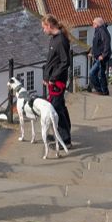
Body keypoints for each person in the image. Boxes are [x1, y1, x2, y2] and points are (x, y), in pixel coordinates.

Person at [42, 14, 72, 146]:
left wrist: (53, 78)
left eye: (44, 27)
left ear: (49, 26)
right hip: (53, 80)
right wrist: (46, 77)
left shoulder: (60, 41)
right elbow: (52, 61)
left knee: (56, 108)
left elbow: (65, 62)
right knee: (60, 106)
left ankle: (65, 139)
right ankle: (65, 133)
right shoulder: (54, 39)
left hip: (58, 81)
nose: (43, 30)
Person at [88, 16, 112, 96]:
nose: (92, 25)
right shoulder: (98, 30)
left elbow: (106, 43)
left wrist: (103, 55)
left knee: (93, 73)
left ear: (97, 24)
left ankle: (101, 90)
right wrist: (91, 52)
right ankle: (103, 91)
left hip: (101, 57)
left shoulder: (102, 31)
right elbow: (95, 44)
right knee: (100, 74)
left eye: (93, 23)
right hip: (98, 56)